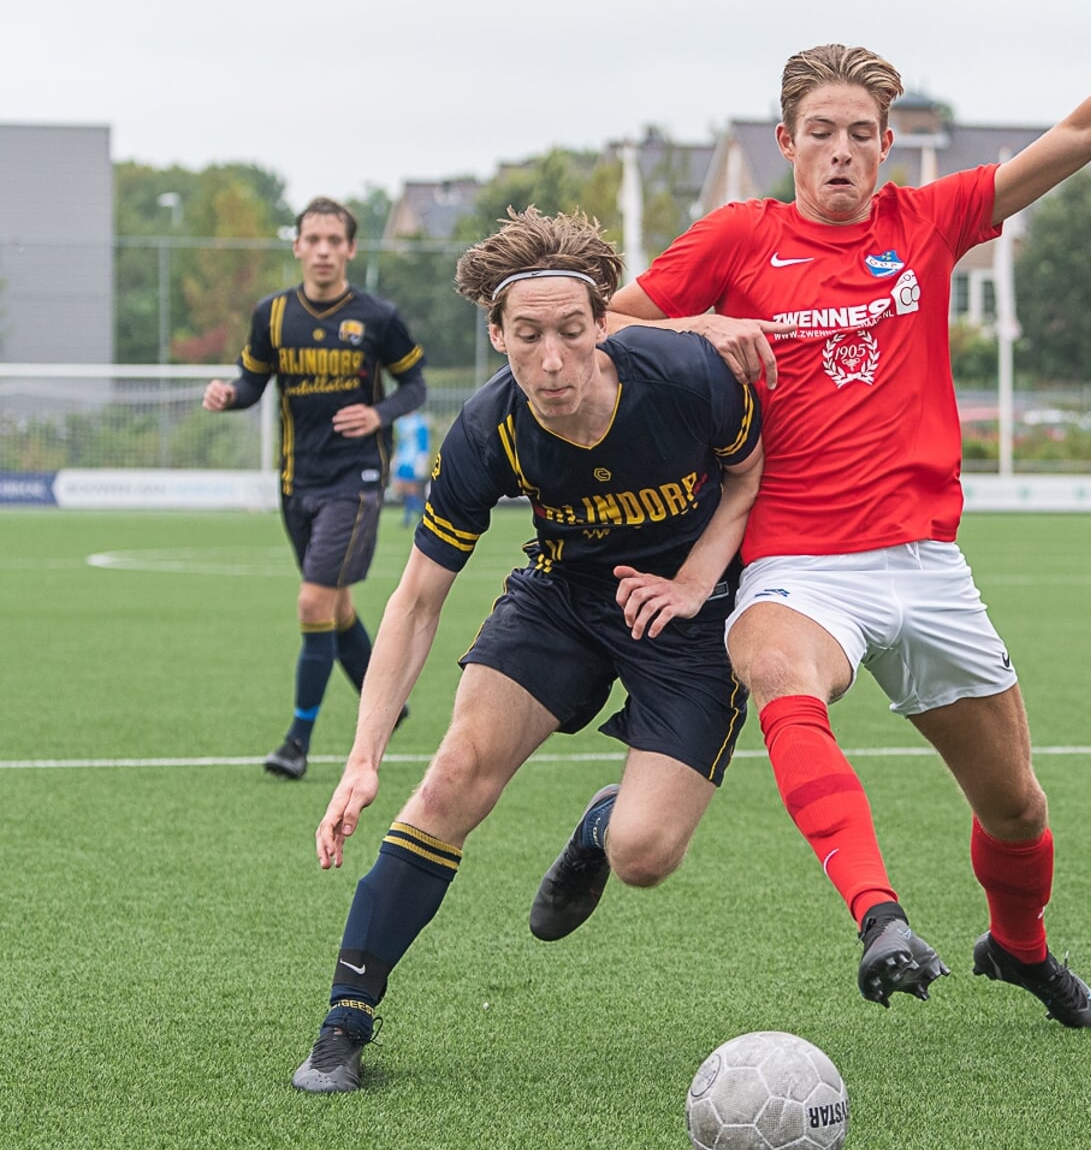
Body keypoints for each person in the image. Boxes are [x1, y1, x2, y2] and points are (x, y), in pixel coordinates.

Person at [604, 0, 1091, 1027]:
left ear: (886, 143)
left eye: (861, 130)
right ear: (786, 141)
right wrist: (703, 324)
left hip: (926, 563)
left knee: (1017, 804)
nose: (842, 149)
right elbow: (607, 325)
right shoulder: (736, 239)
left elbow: (1081, 136)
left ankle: (1018, 948)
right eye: (821, 130)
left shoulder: (929, 221)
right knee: (781, 676)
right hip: (796, 560)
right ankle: (879, 915)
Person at [289, 209, 763, 1092]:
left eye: (573, 333)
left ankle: (599, 824)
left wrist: (697, 580)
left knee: (644, 855)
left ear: (603, 327)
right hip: (563, 599)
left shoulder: (685, 374)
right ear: (497, 333)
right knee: (455, 772)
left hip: (686, 619)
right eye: (529, 336)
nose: (552, 361)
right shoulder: (487, 429)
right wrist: (362, 759)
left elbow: (748, 471)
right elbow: (418, 597)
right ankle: (342, 1024)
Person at [203, 197, 428, 781]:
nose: (324, 250)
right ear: (298, 246)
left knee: (312, 602)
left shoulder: (377, 317)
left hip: (355, 481)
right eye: (314, 240)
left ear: (351, 249)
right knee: (336, 605)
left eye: (335, 240)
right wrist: (229, 395)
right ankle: (387, 704)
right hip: (295, 480)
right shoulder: (273, 315)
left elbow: (415, 385)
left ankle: (297, 743)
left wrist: (379, 416)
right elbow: (253, 382)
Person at [390, 409, 432, 529]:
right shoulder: (401, 422)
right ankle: (418, 514)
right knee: (402, 489)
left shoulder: (419, 422)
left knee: (411, 490)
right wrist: (396, 458)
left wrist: (422, 460)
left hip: (413, 460)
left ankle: (415, 515)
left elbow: (424, 443)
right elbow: (400, 443)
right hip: (403, 460)